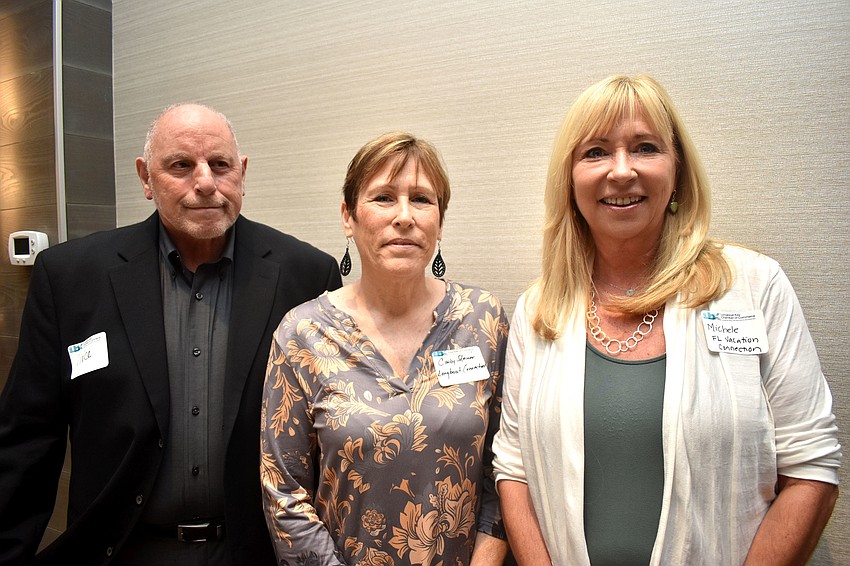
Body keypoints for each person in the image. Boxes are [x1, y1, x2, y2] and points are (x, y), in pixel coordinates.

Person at [492, 75, 841, 565]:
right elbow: (514, 468)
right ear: (569, 180)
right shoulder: (539, 310)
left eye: (645, 147)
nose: (621, 171)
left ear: (677, 171)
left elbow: (812, 466)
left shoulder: (753, 287)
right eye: (595, 152)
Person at [0, 103, 342, 565]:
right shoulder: (71, 278)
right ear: (146, 177)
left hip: (255, 553)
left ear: (241, 173)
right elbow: (27, 441)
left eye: (220, 165)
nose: (204, 182)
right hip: (119, 550)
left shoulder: (306, 276)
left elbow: (330, 437)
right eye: (181, 165)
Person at [260, 132, 510, 565]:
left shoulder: (482, 320)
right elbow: (283, 491)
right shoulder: (302, 334)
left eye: (421, 199)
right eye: (383, 198)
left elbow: (504, 468)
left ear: (440, 221)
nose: (404, 217)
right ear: (348, 217)